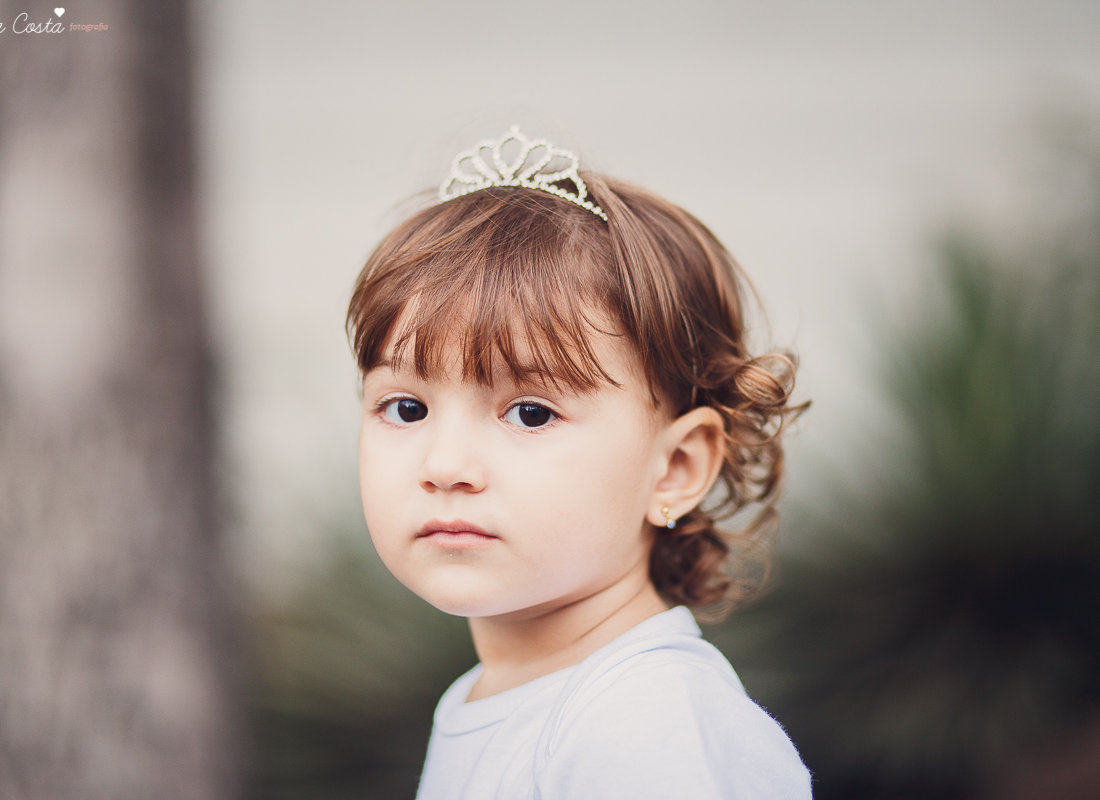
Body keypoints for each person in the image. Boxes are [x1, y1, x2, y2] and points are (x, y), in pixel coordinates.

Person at [347, 127, 812, 799]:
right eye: (406, 408)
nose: (445, 464)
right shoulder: (506, 698)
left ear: (675, 468)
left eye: (530, 412)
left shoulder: (643, 725)